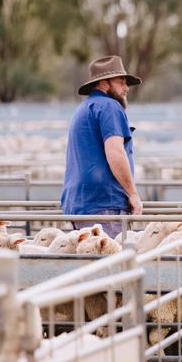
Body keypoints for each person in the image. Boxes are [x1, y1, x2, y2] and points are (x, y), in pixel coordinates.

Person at [61, 55, 143, 238]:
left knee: (92, 262)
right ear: (104, 83)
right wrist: (132, 193)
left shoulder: (83, 109)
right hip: (104, 204)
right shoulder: (109, 107)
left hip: (80, 204)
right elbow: (115, 152)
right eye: (121, 82)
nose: (126, 88)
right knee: (110, 263)